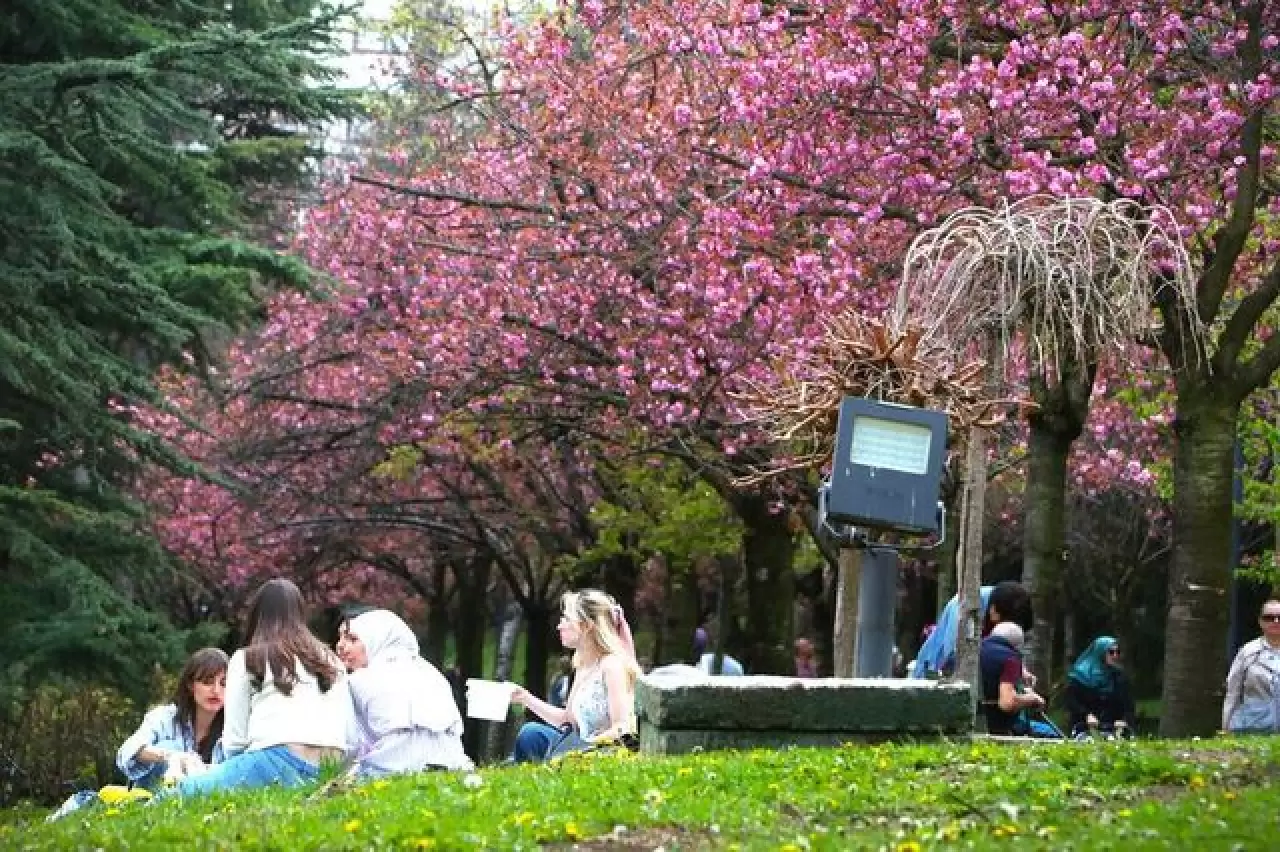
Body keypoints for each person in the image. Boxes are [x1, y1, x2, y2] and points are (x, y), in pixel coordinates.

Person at [176, 578, 349, 796]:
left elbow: (235, 740)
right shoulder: (332, 661)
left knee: (184, 790)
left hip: (276, 759)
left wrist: (231, 770)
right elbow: (347, 730)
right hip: (330, 765)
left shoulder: (248, 658)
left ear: (257, 616)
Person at [335, 609, 473, 776]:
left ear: (376, 640)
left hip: (388, 769)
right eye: (340, 637)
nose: (340, 646)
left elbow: (350, 741)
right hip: (451, 766)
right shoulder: (430, 673)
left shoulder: (361, 680)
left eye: (352, 639)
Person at [510, 589, 640, 762]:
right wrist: (524, 698)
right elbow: (568, 720)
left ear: (586, 626)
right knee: (530, 733)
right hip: (579, 748)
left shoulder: (612, 665)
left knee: (532, 737)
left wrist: (579, 749)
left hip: (602, 752)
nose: (559, 626)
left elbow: (622, 728)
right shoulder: (583, 665)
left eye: (566, 619)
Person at [116, 647, 229, 789]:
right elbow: (127, 751)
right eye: (207, 682)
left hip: (206, 794)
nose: (216, 690)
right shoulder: (164, 717)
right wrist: (171, 756)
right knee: (169, 746)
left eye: (224, 684)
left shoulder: (234, 729)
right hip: (155, 792)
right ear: (190, 685)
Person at [911, 581, 1034, 678]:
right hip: (936, 671)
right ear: (994, 610)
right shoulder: (965, 607)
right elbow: (954, 656)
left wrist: (1019, 669)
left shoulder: (1002, 602)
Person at [978, 621, 1047, 736]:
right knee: (1048, 731)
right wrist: (1032, 699)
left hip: (972, 718)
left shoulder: (975, 649)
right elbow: (1007, 703)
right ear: (1017, 646)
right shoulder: (1011, 659)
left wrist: (1020, 670)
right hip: (996, 726)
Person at [1222, 599, 1280, 734]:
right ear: (1260, 622)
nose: (1276, 621)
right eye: (1269, 618)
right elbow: (1233, 693)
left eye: (1279, 617)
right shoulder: (1248, 652)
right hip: (1252, 728)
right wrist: (1226, 728)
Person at [1065, 636, 1135, 739]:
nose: (1115, 655)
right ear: (1100, 652)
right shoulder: (1080, 676)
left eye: (1117, 652)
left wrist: (1124, 720)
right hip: (1084, 727)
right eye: (1111, 652)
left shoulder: (1118, 676)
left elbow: (1128, 704)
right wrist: (1086, 715)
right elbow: (1072, 702)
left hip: (1113, 728)